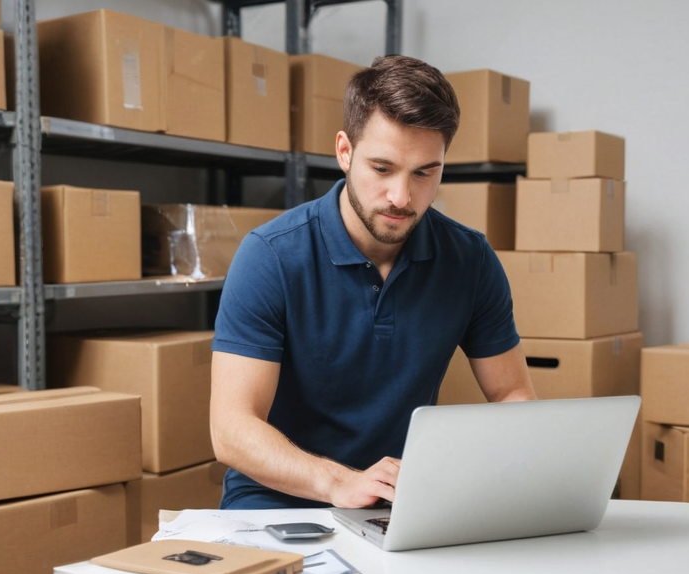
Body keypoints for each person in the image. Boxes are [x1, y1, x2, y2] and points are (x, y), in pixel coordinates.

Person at [209, 54, 537, 510]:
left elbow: (511, 393)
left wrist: (497, 469)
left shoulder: (470, 260)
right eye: (382, 169)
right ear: (344, 152)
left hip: (400, 504)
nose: (402, 197)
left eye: (425, 172)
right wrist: (337, 483)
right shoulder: (271, 256)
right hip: (278, 501)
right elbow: (231, 428)